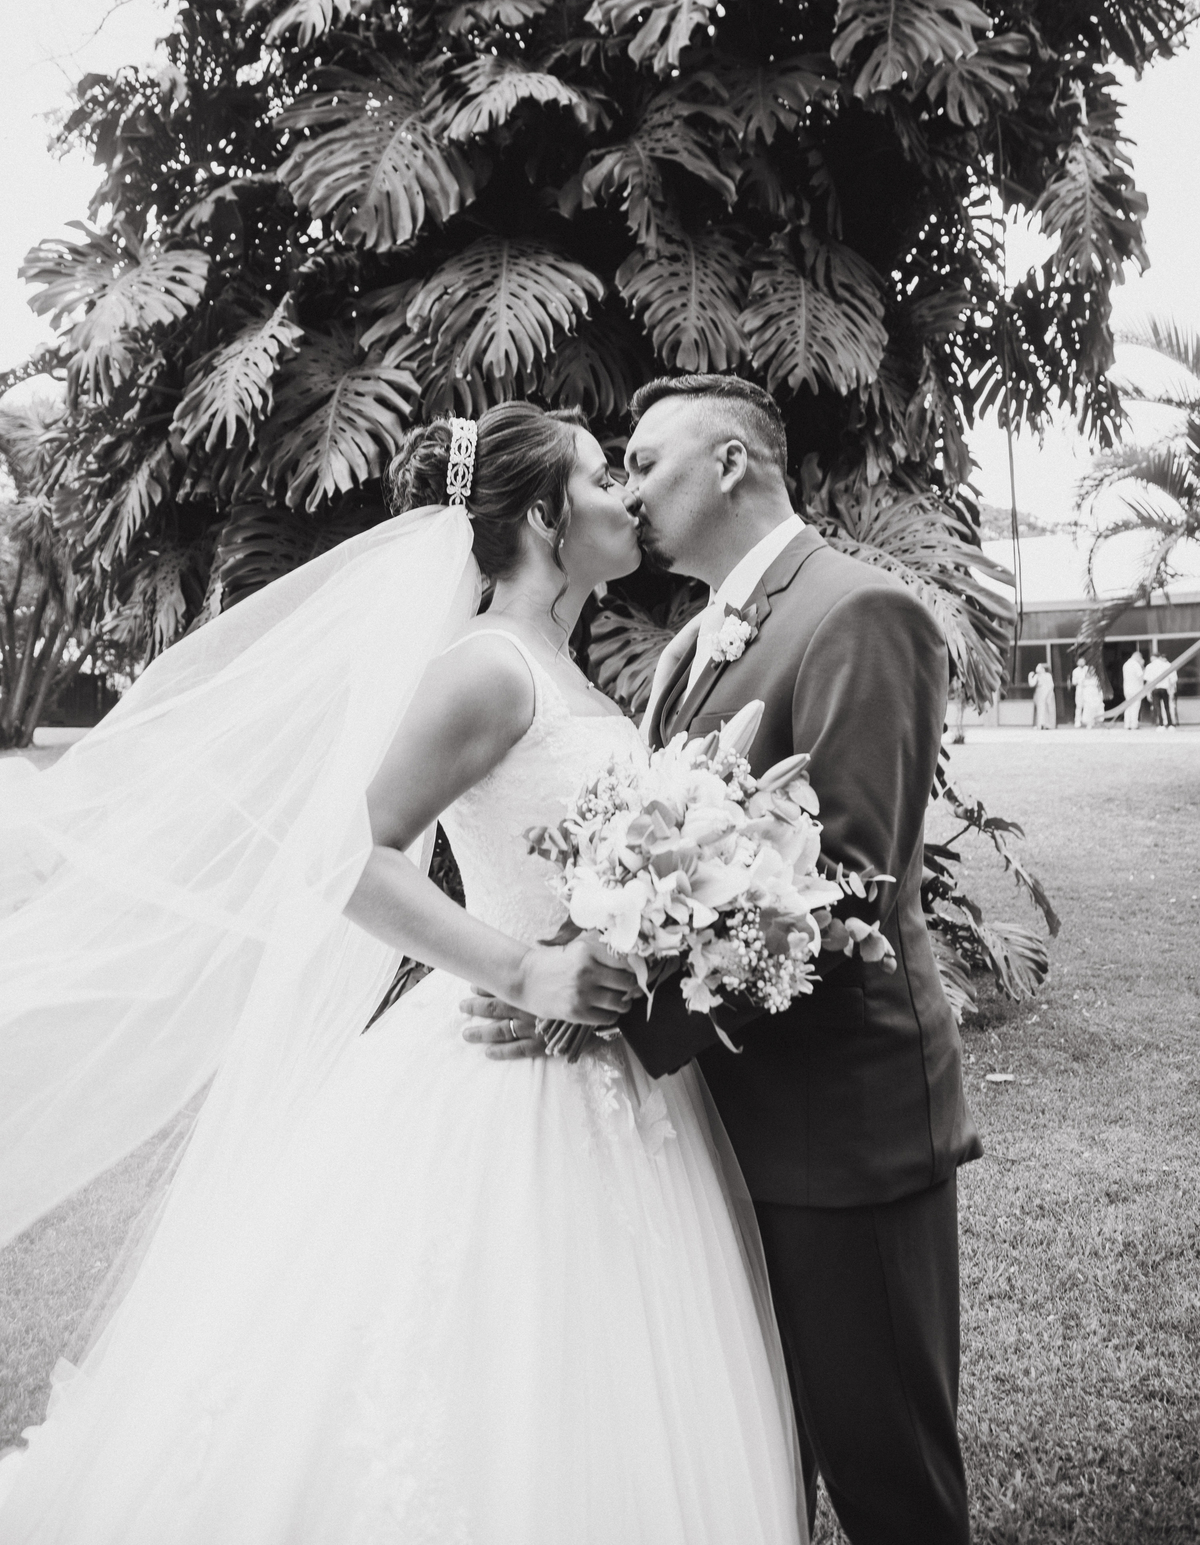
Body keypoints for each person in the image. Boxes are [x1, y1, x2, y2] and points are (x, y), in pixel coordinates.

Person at [0, 404, 805, 1545]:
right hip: (504, 1072)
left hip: (610, 1074)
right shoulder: (489, 668)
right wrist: (525, 970)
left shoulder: (560, 669)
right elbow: (346, 856)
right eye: (600, 478)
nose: (628, 497)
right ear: (545, 515)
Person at [467, 375, 980, 1545]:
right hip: (720, 1131)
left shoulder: (857, 611)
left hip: (841, 1134)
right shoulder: (694, 644)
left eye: (645, 463)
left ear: (733, 463)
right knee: (758, 1469)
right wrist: (568, 967)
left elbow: (846, 887)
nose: (629, 491)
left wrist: (597, 1007)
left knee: (887, 1474)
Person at [1145, 648, 1176, 726]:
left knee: (1157, 707)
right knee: (1167, 706)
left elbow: (1148, 681)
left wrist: (1148, 692)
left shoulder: (1150, 666)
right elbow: (1172, 680)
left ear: (1152, 658)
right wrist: (1172, 690)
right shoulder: (1167, 665)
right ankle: (1170, 724)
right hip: (1165, 688)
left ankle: (1161, 724)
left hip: (1155, 689)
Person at [1071, 659, 1105, 728]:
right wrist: (1081, 681)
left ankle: (1091, 721)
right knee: (1079, 706)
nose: (1081, 663)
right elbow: (1074, 682)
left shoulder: (1087, 669)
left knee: (1090, 706)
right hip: (1080, 689)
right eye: (1080, 661)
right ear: (1077, 663)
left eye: (1082, 661)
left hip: (1090, 691)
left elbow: (1093, 676)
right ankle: (1078, 721)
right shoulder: (1075, 671)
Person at [1122, 645, 1146, 730]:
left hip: (1127, 688)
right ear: (1138, 657)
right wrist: (1142, 666)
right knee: (1135, 707)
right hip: (1136, 689)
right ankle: (1134, 724)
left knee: (1128, 707)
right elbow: (1141, 676)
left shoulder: (1126, 664)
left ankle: (1127, 724)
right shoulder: (1136, 665)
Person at [1028, 659, 1056, 729]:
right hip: (1039, 694)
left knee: (1048, 709)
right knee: (1040, 709)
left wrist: (1048, 694)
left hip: (1048, 694)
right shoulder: (1037, 676)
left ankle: (1048, 724)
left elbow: (1051, 685)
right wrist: (1030, 676)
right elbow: (1032, 684)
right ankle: (1040, 724)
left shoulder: (1048, 675)